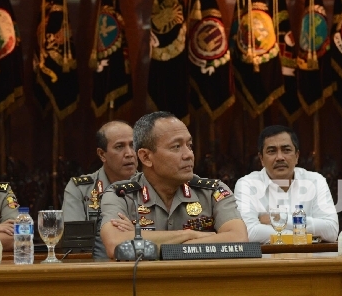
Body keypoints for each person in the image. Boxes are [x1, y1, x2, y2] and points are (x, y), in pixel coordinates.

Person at [99, 111, 247, 258]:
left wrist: (140, 238)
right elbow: (115, 244)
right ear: (145, 157)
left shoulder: (213, 191)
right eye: (176, 147)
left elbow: (238, 239)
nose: (188, 154)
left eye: (189, 145)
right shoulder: (121, 195)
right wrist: (191, 235)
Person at [234, 125, 338, 243]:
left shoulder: (315, 181)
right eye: (272, 151)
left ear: (297, 156)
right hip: (267, 260)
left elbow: (331, 230)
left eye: (286, 150)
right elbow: (250, 233)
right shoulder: (247, 185)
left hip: (310, 259)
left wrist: (280, 220)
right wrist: (306, 236)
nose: (280, 157)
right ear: (261, 159)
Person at [62, 120, 137, 259]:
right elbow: (74, 244)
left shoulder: (150, 186)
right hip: (95, 273)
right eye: (120, 147)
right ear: (102, 154)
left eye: (133, 145)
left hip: (142, 269)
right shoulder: (80, 188)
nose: (129, 153)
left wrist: (137, 234)